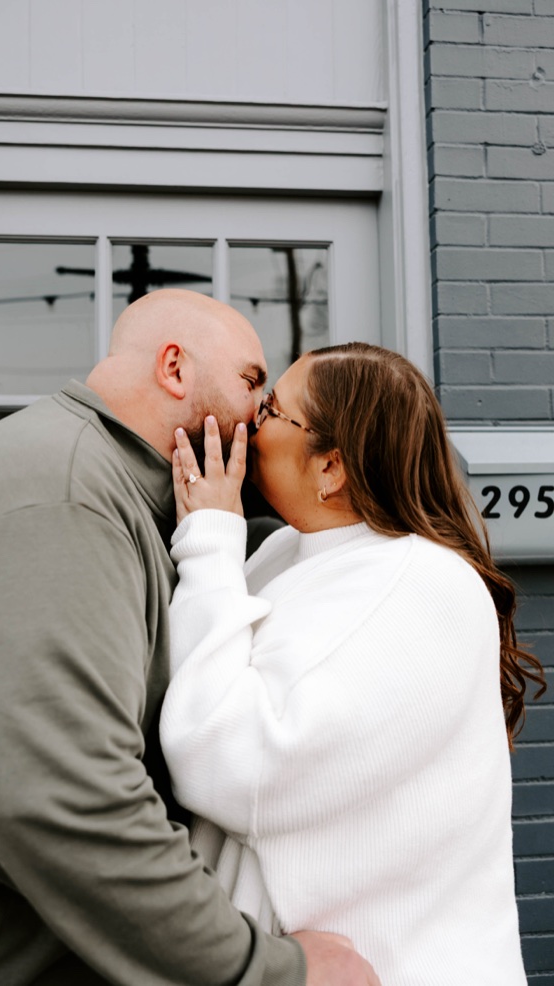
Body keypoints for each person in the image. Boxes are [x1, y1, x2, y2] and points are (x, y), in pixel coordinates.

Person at [0, 288, 378, 984]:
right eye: (251, 383)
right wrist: (269, 972)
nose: (260, 416)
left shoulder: (113, 492)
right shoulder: (60, 501)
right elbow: (47, 795)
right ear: (175, 368)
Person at [164, 343, 536, 983]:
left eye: (274, 407)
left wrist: (209, 543)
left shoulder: (419, 585)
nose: (251, 415)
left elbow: (226, 763)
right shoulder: (291, 552)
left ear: (331, 466)